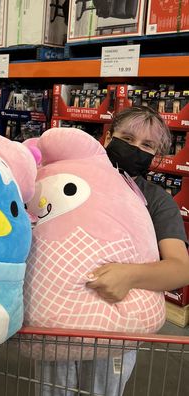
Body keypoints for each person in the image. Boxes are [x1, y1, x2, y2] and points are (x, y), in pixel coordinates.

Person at [38, 106, 189, 396]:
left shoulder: (156, 201)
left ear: (155, 156)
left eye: (147, 145)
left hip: (117, 322)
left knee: (104, 389)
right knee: (53, 389)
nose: (135, 149)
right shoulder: (70, 178)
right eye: (127, 138)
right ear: (108, 136)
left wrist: (129, 275)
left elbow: (179, 267)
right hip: (61, 317)